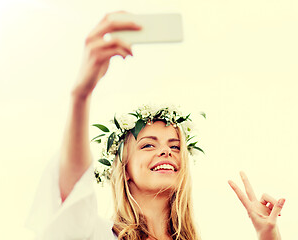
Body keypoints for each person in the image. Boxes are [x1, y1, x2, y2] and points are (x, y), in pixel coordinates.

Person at [26, 11, 285, 240]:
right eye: (148, 144)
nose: (166, 152)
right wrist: (80, 95)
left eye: (174, 145)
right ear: (124, 168)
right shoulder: (97, 234)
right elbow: (74, 196)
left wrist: (268, 235)